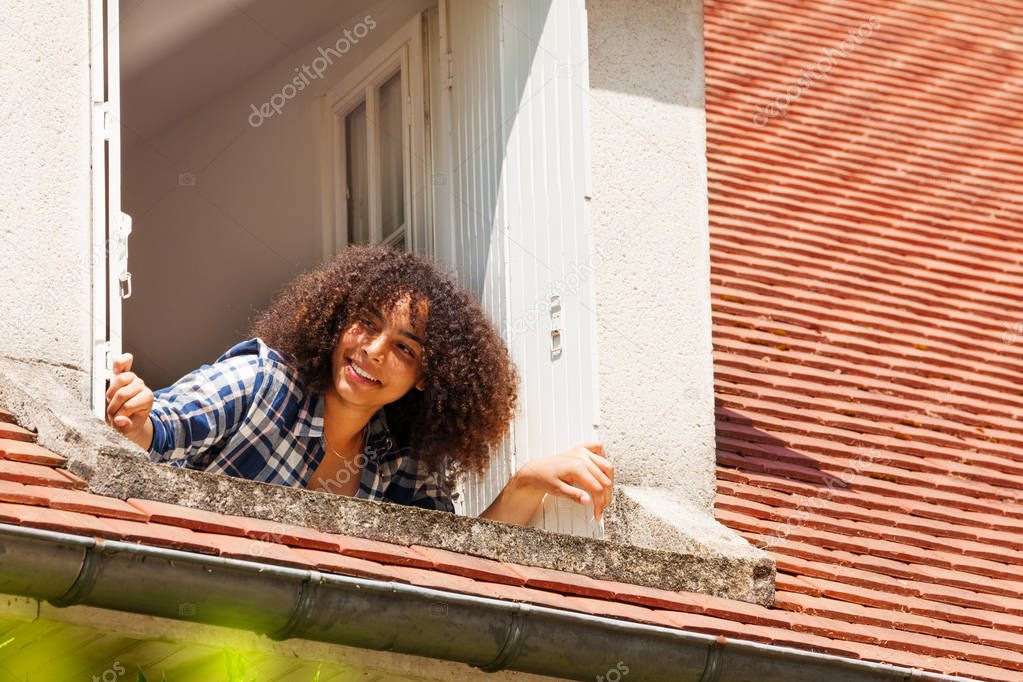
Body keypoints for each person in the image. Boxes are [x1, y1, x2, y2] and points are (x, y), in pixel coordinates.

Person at [104, 244, 613, 526]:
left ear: (423, 380)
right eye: (367, 323)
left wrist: (526, 483)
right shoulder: (259, 382)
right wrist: (137, 417)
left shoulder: (402, 463)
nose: (373, 350)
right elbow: (163, 428)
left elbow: (456, 567)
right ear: (335, 322)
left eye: (404, 348)